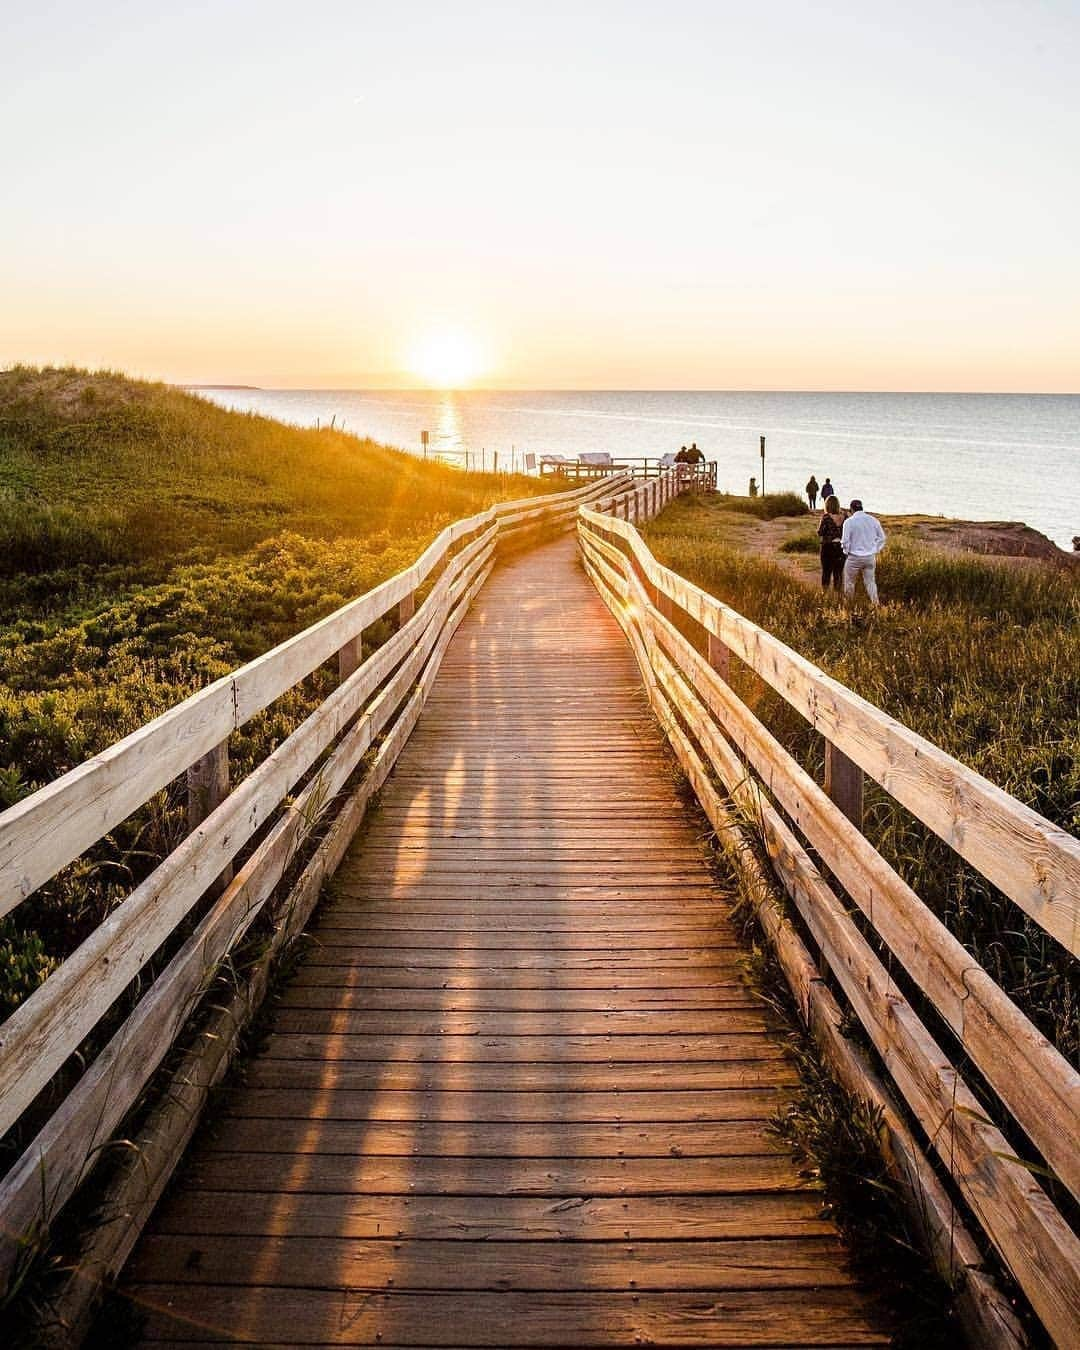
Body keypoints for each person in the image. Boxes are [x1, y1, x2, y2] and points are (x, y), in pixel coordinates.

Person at [841, 499, 886, 605]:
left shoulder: (849, 522)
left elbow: (845, 541)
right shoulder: (873, 520)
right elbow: (882, 538)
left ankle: (849, 605)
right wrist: (875, 549)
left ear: (851, 509)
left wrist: (846, 551)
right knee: (871, 583)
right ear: (861, 507)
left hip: (854, 557)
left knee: (850, 583)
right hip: (870, 557)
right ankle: (876, 604)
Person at [816, 495, 845, 591]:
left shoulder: (826, 517)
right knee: (838, 573)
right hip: (841, 547)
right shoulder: (844, 517)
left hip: (827, 547)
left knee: (826, 572)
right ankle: (838, 597)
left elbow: (820, 532)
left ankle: (825, 595)